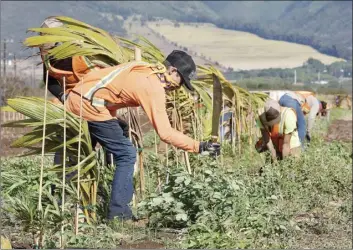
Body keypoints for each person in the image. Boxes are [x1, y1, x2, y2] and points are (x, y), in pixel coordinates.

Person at [65, 50, 221, 221]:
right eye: (181, 80)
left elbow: (112, 91)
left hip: (82, 97)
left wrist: (114, 120)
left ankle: (69, 202)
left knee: (86, 151)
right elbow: (165, 133)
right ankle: (118, 215)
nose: (179, 86)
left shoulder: (146, 69)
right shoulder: (153, 87)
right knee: (126, 154)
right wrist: (199, 147)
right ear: (173, 71)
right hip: (88, 105)